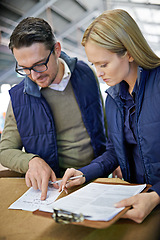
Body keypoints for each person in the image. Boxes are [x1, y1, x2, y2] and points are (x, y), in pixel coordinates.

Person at [59, 9, 160, 223]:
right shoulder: (113, 97)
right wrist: (84, 173)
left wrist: (156, 195)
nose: (99, 72)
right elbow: (115, 150)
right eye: (94, 64)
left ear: (129, 52)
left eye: (103, 64)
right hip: (136, 200)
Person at [0, 17, 108, 200]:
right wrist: (31, 161)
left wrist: (117, 158)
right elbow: (5, 151)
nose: (34, 75)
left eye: (39, 64)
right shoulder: (19, 98)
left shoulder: (86, 74)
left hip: (97, 176)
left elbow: (105, 123)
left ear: (56, 49)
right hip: (55, 187)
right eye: (25, 69)